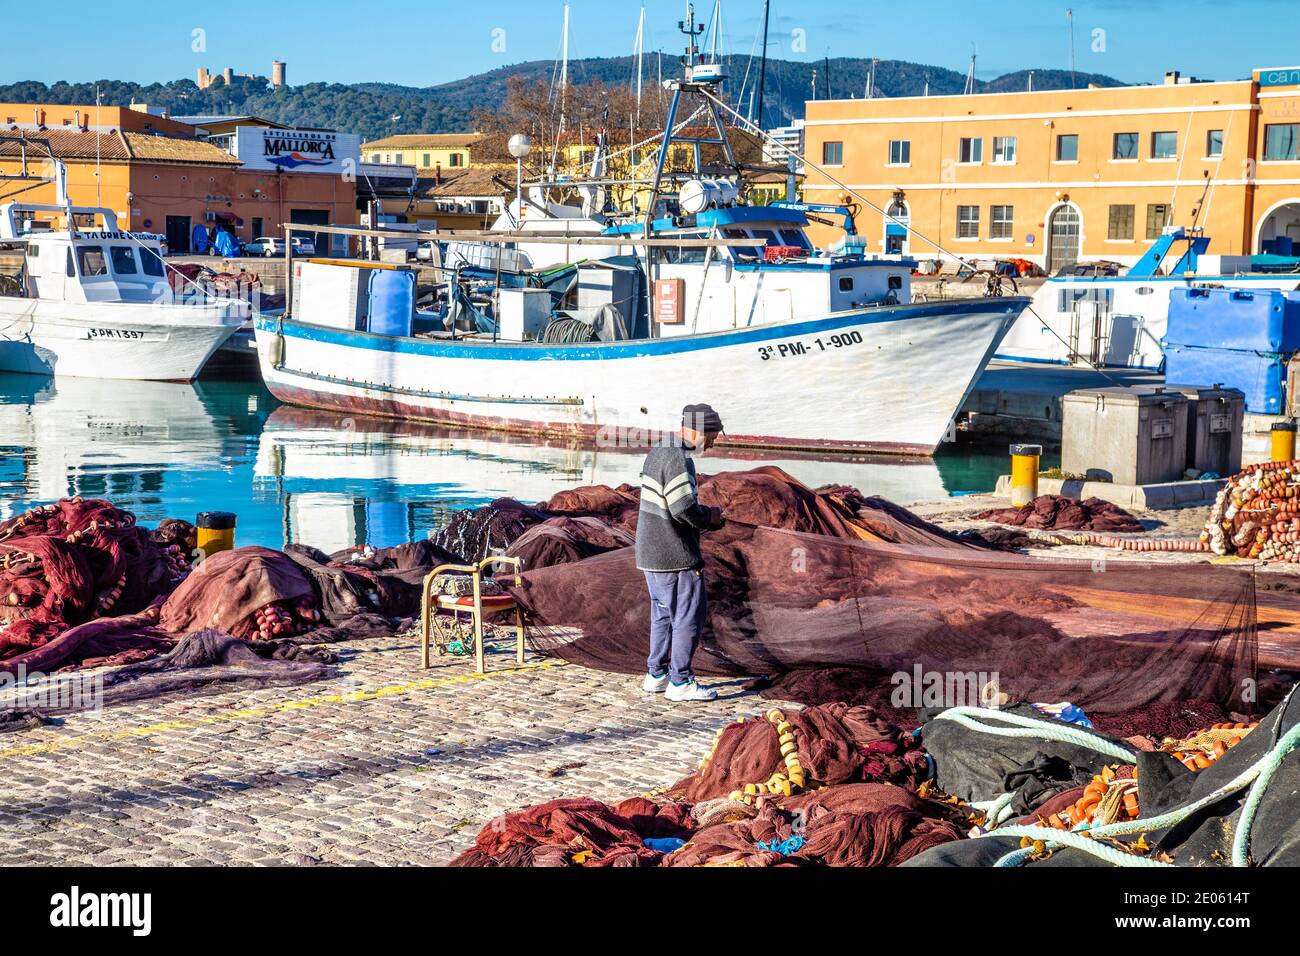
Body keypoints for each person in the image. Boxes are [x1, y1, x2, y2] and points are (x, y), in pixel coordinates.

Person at [635, 403, 726, 702]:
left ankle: (656, 674)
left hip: (649, 553)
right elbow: (682, 508)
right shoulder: (677, 457)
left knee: (662, 615)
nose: (711, 443)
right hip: (673, 554)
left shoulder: (660, 449)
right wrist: (710, 518)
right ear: (700, 430)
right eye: (712, 436)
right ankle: (681, 682)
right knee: (688, 617)